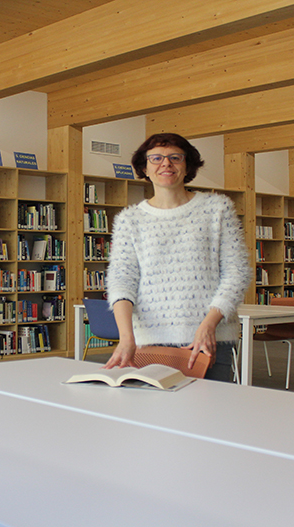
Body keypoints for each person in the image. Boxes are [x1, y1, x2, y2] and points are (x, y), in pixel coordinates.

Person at [104, 133, 252, 382]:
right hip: (148, 340)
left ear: (188, 166)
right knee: (150, 417)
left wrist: (207, 325)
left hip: (208, 338)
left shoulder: (218, 208)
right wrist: (126, 337)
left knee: (208, 416)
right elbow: (122, 280)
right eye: (156, 158)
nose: (166, 164)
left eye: (175, 157)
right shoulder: (129, 219)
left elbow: (237, 272)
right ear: (145, 168)